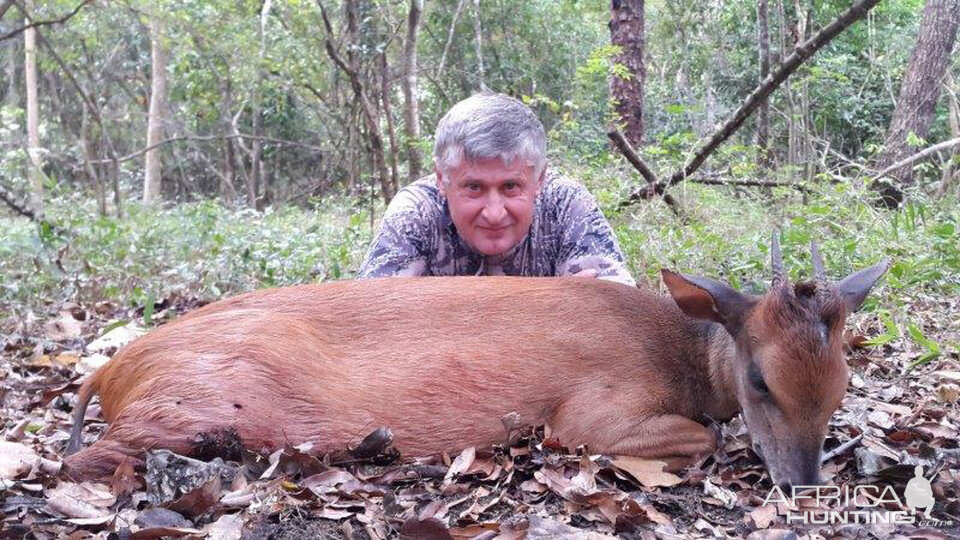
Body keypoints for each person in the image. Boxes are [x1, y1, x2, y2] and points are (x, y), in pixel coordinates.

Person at [357, 92, 635, 287]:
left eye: (511, 187)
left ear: (539, 179)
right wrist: (555, 304)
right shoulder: (415, 212)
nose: (493, 213)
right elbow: (371, 315)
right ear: (442, 179)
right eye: (474, 187)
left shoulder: (565, 203)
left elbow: (616, 306)